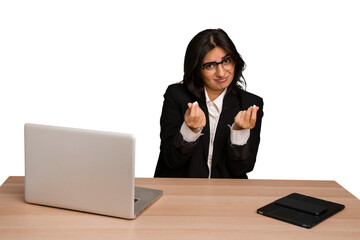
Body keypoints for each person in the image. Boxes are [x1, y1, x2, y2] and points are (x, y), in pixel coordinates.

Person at [154, 28, 263, 178]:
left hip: (225, 194)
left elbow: (242, 169)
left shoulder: (250, 103)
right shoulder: (176, 95)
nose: (221, 73)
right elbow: (171, 161)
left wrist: (239, 133)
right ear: (196, 68)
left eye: (226, 61)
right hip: (181, 190)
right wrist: (189, 130)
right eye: (210, 65)